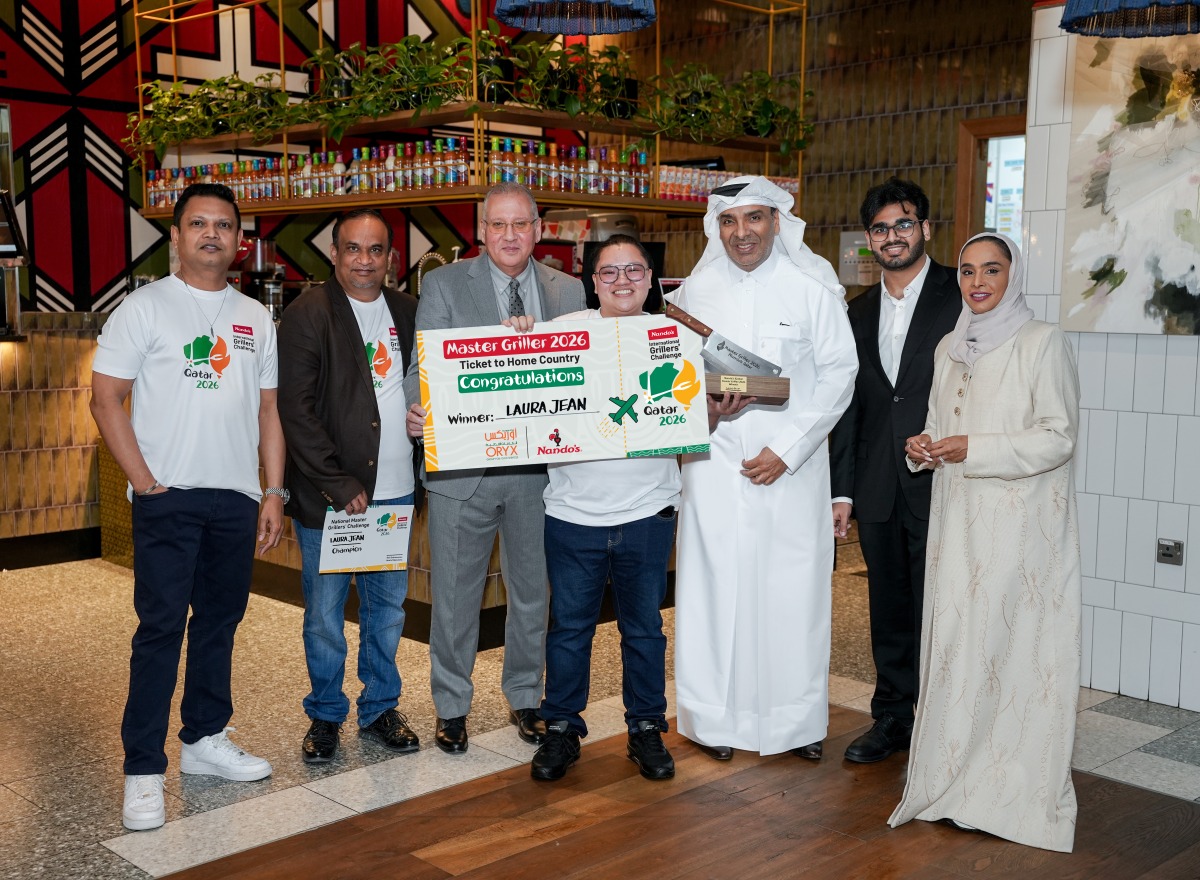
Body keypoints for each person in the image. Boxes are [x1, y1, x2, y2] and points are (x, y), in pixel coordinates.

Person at [90, 182, 284, 832]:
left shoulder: (256, 317)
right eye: (198, 224)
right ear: (175, 236)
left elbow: (267, 411)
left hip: (234, 498)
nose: (211, 234)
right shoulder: (143, 309)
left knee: (220, 624)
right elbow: (105, 398)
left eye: (223, 225)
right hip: (166, 498)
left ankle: (203, 741)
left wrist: (273, 490)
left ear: (238, 239)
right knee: (160, 631)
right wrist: (145, 482)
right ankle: (143, 770)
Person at [889, 232, 1081, 852]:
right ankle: (953, 780)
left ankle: (1006, 791)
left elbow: (1058, 438)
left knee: (1011, 649)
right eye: (969, 271)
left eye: (991, 270)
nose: (977, 282)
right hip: (956, 520)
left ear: (1012, 275)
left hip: (1020, 524)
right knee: (958, 645)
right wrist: (923, 447)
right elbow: (942, 426)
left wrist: (974, 448)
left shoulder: (1041, 341)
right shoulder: (951, 345)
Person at [671, 176, 858, 761]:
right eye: (729, 221)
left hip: (791, 472)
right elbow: (672, 380)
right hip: (714, 466)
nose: (741, 232)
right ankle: (713, 723)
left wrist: (790, 449)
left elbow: (839, 374)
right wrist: (703, 411)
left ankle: (795, 725)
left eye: (753, 218)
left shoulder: (811, 286)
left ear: (777, 222)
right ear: (715, 227)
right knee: (713, 593)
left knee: (791, 595)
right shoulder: (695, 293)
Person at [403, 183, 585, 753]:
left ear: (538, 229)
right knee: (455, 597)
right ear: (482, 232)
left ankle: (526, 696)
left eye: (520, 224)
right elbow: (420, 366)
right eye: (497, 225)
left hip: (542, 473)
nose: (509, 236)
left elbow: (584, 369)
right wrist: (418, 406)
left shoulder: (569, 288)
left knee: (534, 593)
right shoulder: (443, 284)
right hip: (464, 473)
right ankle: (452, 706)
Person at [528, 234, 679, 782]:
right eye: (609, 271)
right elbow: (506, 388)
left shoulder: (675, 338)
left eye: (634, 270)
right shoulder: (559, 335)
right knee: (569, 630)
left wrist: (717, 405)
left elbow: (693, 416)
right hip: (572, 514)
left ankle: (645, 729)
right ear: (592, 282)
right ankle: (561, 730)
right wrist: (516, 339)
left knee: (644, 630)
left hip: (648, 512)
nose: (622, 281)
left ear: (651, 278)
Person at [278, 208, 421, 765]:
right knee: (325, 616)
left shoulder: (409, 311)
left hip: (396, 493)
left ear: (391, 257)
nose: (365, 261)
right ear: (334, 254)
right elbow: (296, 410)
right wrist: (338, 482)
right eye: (353, 249)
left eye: (376, 250)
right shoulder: (307, 315)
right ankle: (325, 714)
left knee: (387, 612)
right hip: (331, 500)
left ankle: (381, 707)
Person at [828, 178, 961, 764]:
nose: (892, 237)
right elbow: (848, 406)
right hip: (879, 485)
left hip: (944, 481)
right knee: (888, 610)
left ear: (926, 229)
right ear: (869, 241)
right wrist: (842, 492)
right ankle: (893, 719)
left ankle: (947, 722)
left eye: (903, 225)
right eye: (880, 229)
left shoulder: (961, 298)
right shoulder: (854, 312)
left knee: (944, 605)